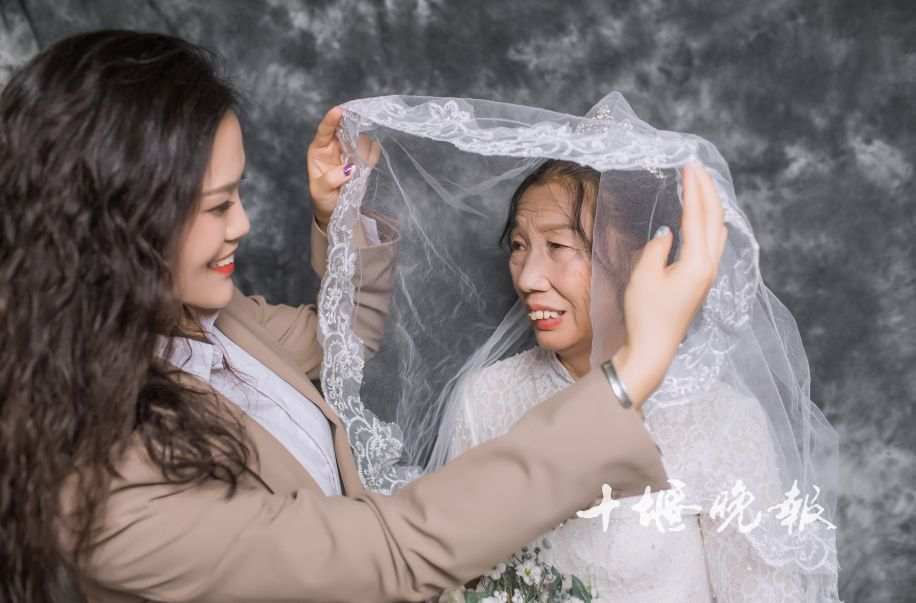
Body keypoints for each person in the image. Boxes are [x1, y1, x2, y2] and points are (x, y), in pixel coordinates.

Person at [0, 31, 725, 603]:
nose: (245, 223)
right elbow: (391, 551)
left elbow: (336, 342)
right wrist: (631, 372)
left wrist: (342, 213)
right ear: (121, 223)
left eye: (238, 193)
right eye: (219, 205)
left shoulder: (208, 322)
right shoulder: (101, 493)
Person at [322, 94, 840, 601]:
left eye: (559, 247)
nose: (528, 278)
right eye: (520, 246)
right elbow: (459, 571)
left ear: (638, 259)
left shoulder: (721, 420)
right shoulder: (488, 396)